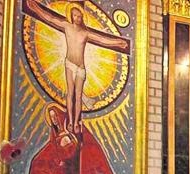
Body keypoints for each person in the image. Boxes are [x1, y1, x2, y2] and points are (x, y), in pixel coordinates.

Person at [24, 0, 130, 133]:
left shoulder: (85, 33)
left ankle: (75, 123)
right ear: (71, 16)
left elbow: (102, 39)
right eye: (75, 16)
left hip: (80, 67)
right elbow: (50, 18)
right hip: (69, 64)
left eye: (80, 16)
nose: (77, 18)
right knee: (70, 93)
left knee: (78, 96)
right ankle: (69, 120)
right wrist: (35, 8)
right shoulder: (66, 26)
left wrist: (119, 42)